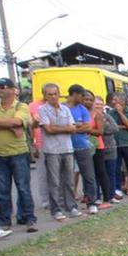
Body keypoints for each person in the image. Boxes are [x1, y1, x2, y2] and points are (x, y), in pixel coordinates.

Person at [0, 78, 37, 233]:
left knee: (23, 188)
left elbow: (18, 121)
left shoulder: (22, 106)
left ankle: (28, 218)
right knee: (2, 189)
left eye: (2, 86)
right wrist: (9, 124)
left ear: (14, 90)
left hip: (19, 153)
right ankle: (3, 220)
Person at [37, 83, 78, 221]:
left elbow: (73, 128)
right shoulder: (42, 110)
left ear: (59, 94)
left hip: (67, 148)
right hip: (51, 150)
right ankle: (56, 210)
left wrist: (57, 127)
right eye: (50, 94)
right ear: (45, 96)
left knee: (69, 181)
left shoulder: (65, 109)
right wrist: (64, 128)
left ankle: (71, 206)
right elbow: (48, 130)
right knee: (54, 182)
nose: (53, 97)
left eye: (55, 93)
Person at [66, 85, 100, 215]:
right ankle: (71, 205)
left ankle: (92, 202)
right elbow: (61, 125)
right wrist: (74, 126)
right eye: (82, 96)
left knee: (89, 175)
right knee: (68, 177)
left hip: (83, 146)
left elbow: (87, 127)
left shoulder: (83, 110)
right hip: (66, 147)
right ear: (75, 94)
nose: (85, 99)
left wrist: (72, 127)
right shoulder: (63, 108)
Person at [108, 94, 128, 199]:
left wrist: (120, 113)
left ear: (124, 101)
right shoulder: (110, 112)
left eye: (117, 100)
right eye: (114, 100)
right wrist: (123, 126)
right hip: (115, 143)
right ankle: (117, 188)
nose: (115, 102)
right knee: (116, 166)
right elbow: (110, 127)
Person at [90, 95, 114, 209]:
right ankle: (95, 197)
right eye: (96, 103)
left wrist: (85, 129)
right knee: (91, 174)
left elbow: (101, 131)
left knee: (101, 172)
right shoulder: (86, 113)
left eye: (100, 104)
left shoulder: (101, 116)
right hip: (87, 147)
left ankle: (107, 198)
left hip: (99, 146)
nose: (98, 106)